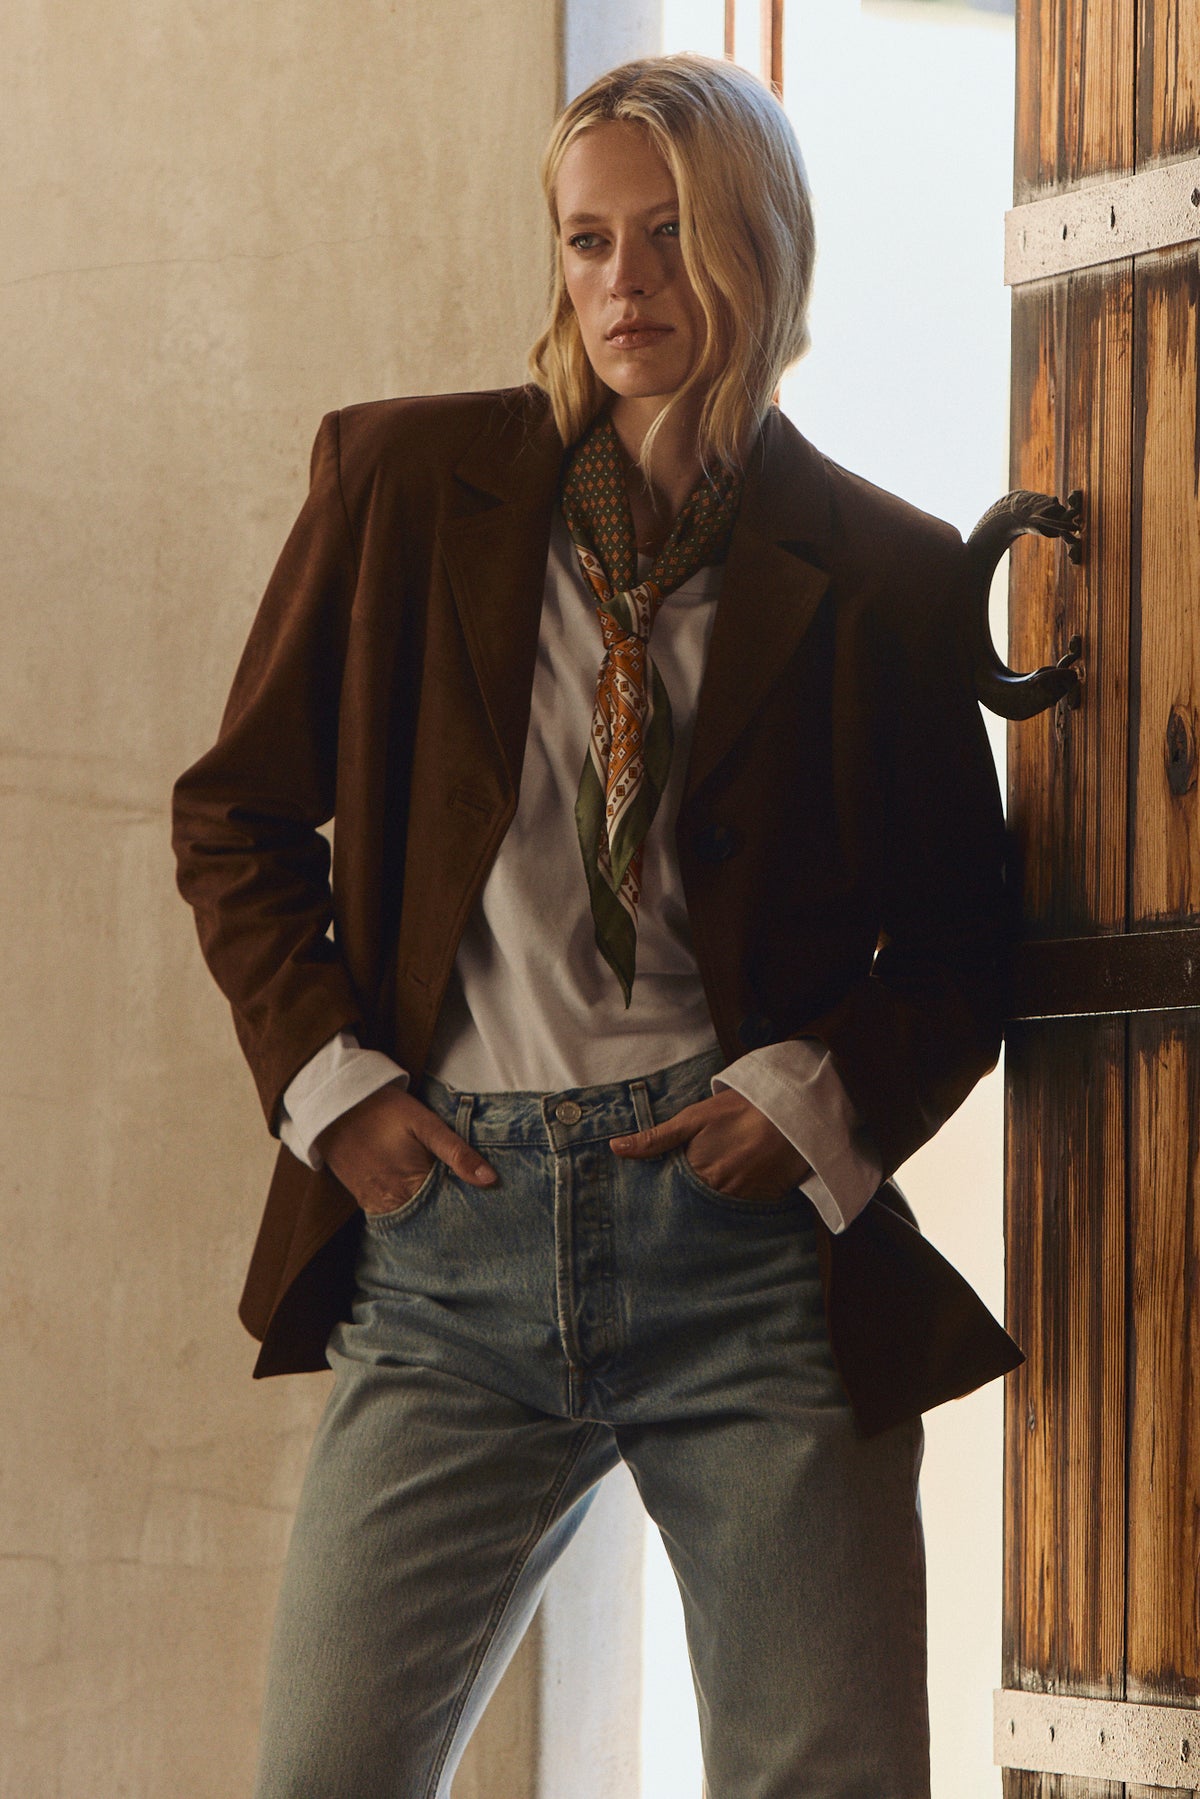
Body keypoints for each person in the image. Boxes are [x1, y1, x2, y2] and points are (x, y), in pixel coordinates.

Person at [172, 52, 1020, 1799]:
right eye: (587, 243)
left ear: (760, 252)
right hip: (450, 1255)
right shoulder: (408, 490)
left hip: (750, 1269)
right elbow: (235, 816)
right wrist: (338, 1094)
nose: (624, 285)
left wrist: (809, 1108)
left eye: (668, 238)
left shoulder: (888, 569)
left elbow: (959, 949)